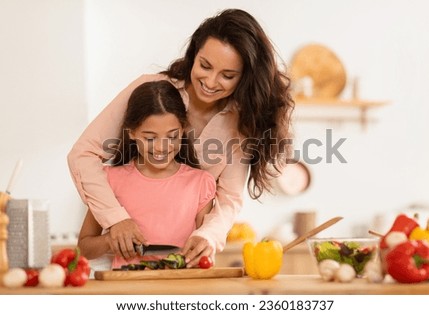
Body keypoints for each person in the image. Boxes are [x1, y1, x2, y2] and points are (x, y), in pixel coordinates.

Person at [68, 8, 294, 268]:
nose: (210, 81)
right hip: (125, 268)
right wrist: (115, 219)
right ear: (193, 54)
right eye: (205, 65)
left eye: (227, 75)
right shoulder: (151, 91)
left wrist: (209, 235)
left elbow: (229, 197)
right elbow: (83, 153)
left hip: (185, 267)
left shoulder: (241, 122)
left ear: (245, 77)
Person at [77, 80, 216, 268]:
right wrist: (110, 240)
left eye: (172, 136)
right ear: (132, 133)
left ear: (183, 130)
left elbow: (202, 246)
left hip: (182, 289)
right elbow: (84, 248)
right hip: (127, 290)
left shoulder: (200, 183)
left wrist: (202, 251)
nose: (161, 147)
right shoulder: (109, 180)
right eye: (150, 138)